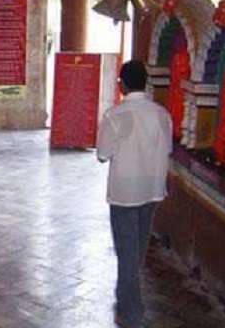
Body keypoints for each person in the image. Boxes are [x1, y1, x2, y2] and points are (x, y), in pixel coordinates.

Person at [96, 60, 173, 328]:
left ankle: (133, 314)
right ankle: (123, 301)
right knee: (136, 252)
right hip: (152, 190)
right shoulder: (162, 114)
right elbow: (167, 148)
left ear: (122, 84)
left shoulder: (115, 116)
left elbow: (102, 154)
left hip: (125, 193)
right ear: (146, 83)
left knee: (127, 255)